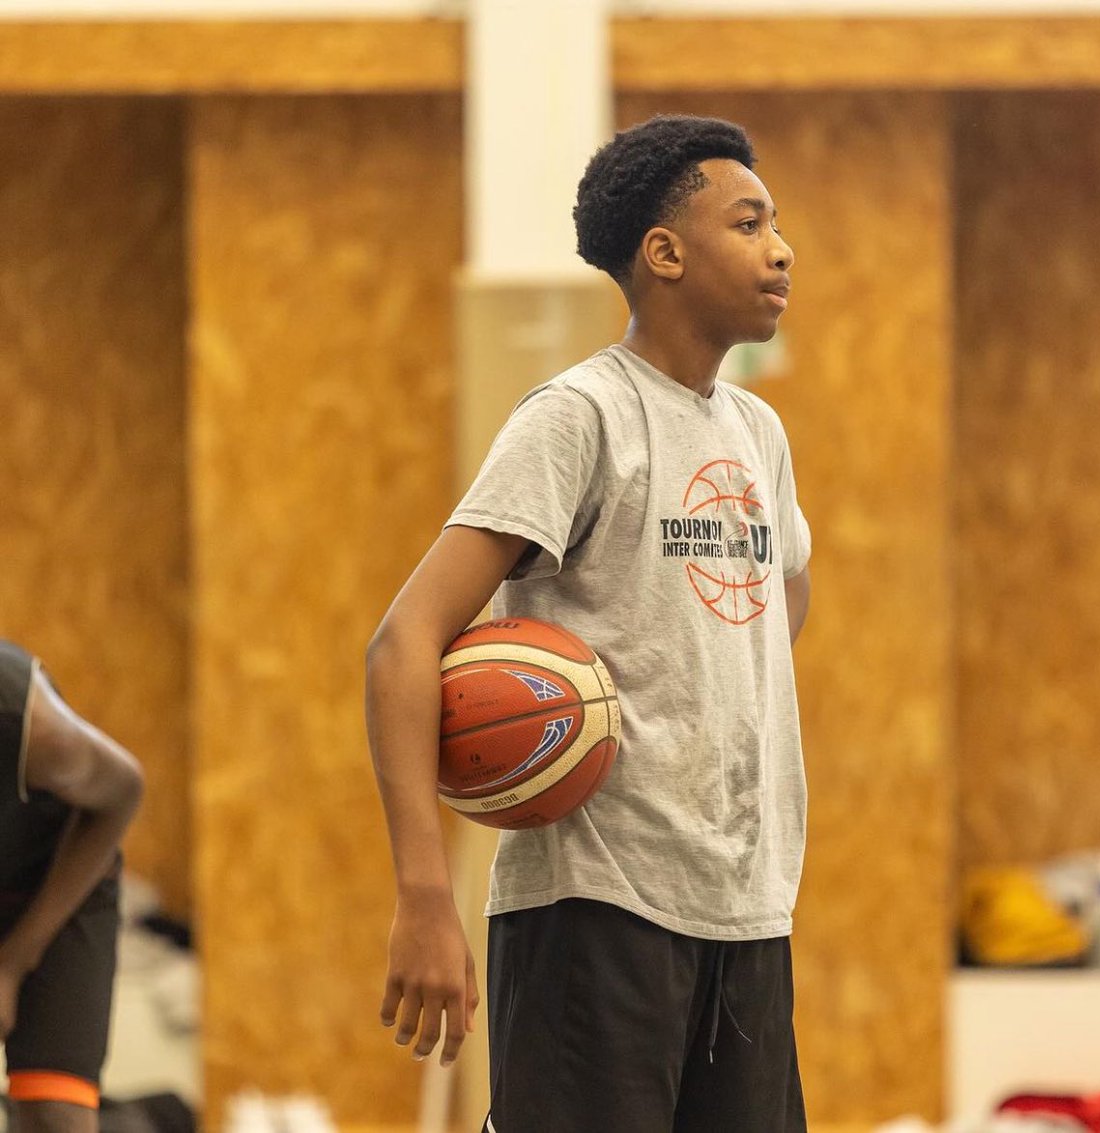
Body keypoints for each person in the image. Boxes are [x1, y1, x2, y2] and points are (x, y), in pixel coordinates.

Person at [366, 113, 812, 1132]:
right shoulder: (580, 417)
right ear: (665, 253)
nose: (782, 248)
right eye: (749, 224)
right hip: (593, 909)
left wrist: (708, 681)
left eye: (777, 225)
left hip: (747, 907)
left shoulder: (758, 428)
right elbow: (403, 642)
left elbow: (783, 584)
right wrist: (424, 894)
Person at [1, 641, 144, 1133]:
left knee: (55, 1115)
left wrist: (11, 964)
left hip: (56, 878)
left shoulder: (34, 730)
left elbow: (124, 792)